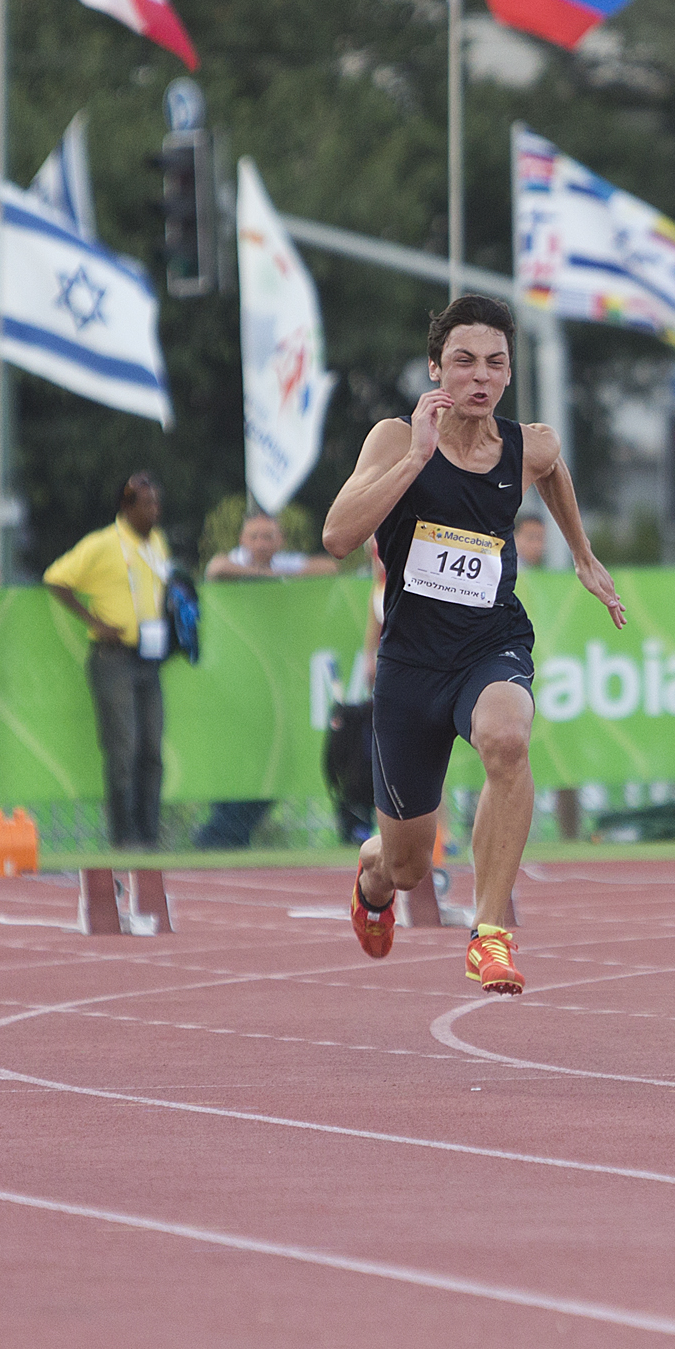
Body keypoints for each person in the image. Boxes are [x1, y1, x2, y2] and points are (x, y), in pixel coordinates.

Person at [322, 294, 625, 994]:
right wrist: (415, 461)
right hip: (410, 665)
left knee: (508, 737)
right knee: (407, 865)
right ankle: (370, 877)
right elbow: (337, 536)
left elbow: (551, 467)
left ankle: (490, 934)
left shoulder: (526, 445)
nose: (479, 377)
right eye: (463, 361)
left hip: (488, 644)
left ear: (509, 373)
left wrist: (582, 554)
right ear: (436, 369)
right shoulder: (395, 440)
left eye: (495, 363)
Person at [45, 473, 175, 849]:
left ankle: (149, 836)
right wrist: (92, 621)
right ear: (127, 506)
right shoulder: (103, 544)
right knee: (124, 748)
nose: (155, 511)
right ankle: (125, 837)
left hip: (149, 656)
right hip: (113, 656)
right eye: (147, 504)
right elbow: (55, 578)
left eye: (156, 503)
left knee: (152, 749)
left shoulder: (158, 543)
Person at [205, 510, 334, 580]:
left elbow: (329, 567)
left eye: (267, 537)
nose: (261, 544)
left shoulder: (281, 562)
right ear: (242, 540)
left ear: (280, 540)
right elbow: (216, 568)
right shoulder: (236, 559)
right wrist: (266, 576)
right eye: (253, 537)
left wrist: (284, 575)